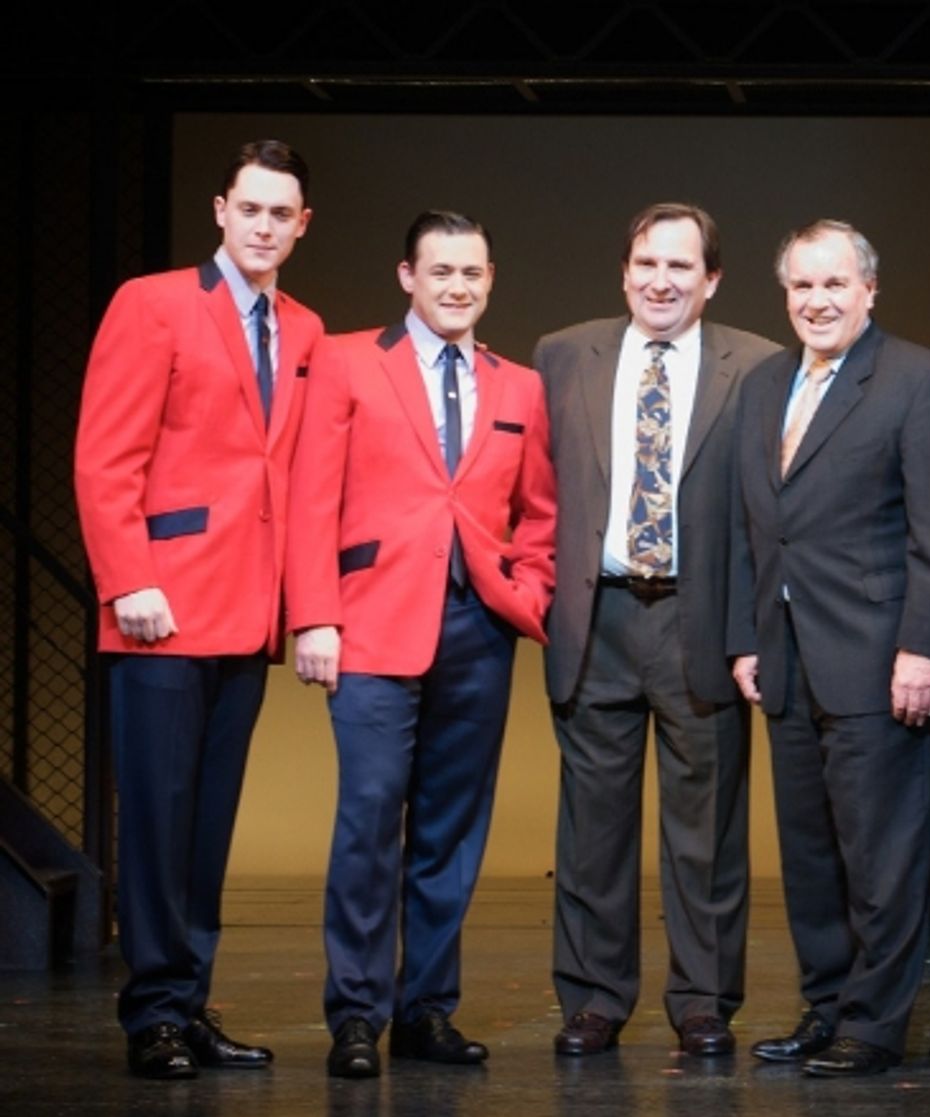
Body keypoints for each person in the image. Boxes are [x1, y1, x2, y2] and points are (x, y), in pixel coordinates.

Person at [287, 210, 556, 1079]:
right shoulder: (345, 358)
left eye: (472, 273)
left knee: (451, 830)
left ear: (490, 280)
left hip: (477, 629)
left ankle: (426, 1009)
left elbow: (543, 514)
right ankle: (356, 1015)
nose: (457, 286)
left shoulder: (519, 386)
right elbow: (309, 495)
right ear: (408, 276)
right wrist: (312, 614)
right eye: (440, 270)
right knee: (370, 820)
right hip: (368, 622)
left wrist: (530, 592)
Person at [74, 140, 321, 1079]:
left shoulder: (301, 327)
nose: (263, 226)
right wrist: (127, 577)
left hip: (247, 608)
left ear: (303, 225)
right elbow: (105, 455)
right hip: (162, 607)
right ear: (221, 210)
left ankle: (188, 998)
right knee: (158, 816)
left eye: (281, 214)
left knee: (209, 821)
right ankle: (151, 1015)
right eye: (249, 208)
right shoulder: (154, 302)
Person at [729, 219, 930, 1077]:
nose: (817, 301)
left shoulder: (918, 381)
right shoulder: (763, 385)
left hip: (880, 660)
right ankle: (825, 1007)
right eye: (802, 286)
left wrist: (923, 649)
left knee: (882, 858)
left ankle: (871, 1025)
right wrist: (745, 640)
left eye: (835, 285)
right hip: (787, 660)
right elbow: (752, 529)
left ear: (870, 290)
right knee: (811, 856)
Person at [536, 202, 780, 1058]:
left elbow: (766, 516)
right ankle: (595, 997)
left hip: (699, 618)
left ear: (711, 280)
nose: (660, 280)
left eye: (681, 266)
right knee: (591, 828)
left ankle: (704, 1001)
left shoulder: (759, 365)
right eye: (646, 262)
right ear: (624, 268)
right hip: (596, 614)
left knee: (704, 828)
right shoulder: (563, 355)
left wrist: (753, 629)